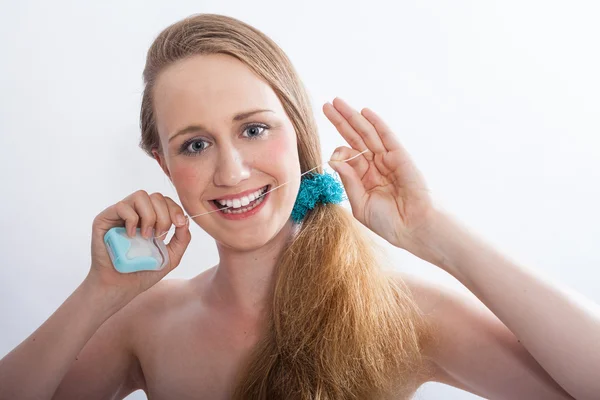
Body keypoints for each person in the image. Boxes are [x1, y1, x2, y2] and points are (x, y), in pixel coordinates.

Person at [0, 13, 598, 400]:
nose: (231, 170)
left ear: (298, 131)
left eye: (254, 129)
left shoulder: (401, 313)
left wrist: (434, 233)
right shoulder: (147, 323)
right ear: (162, 164)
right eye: (196, 144)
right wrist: (96, 295)